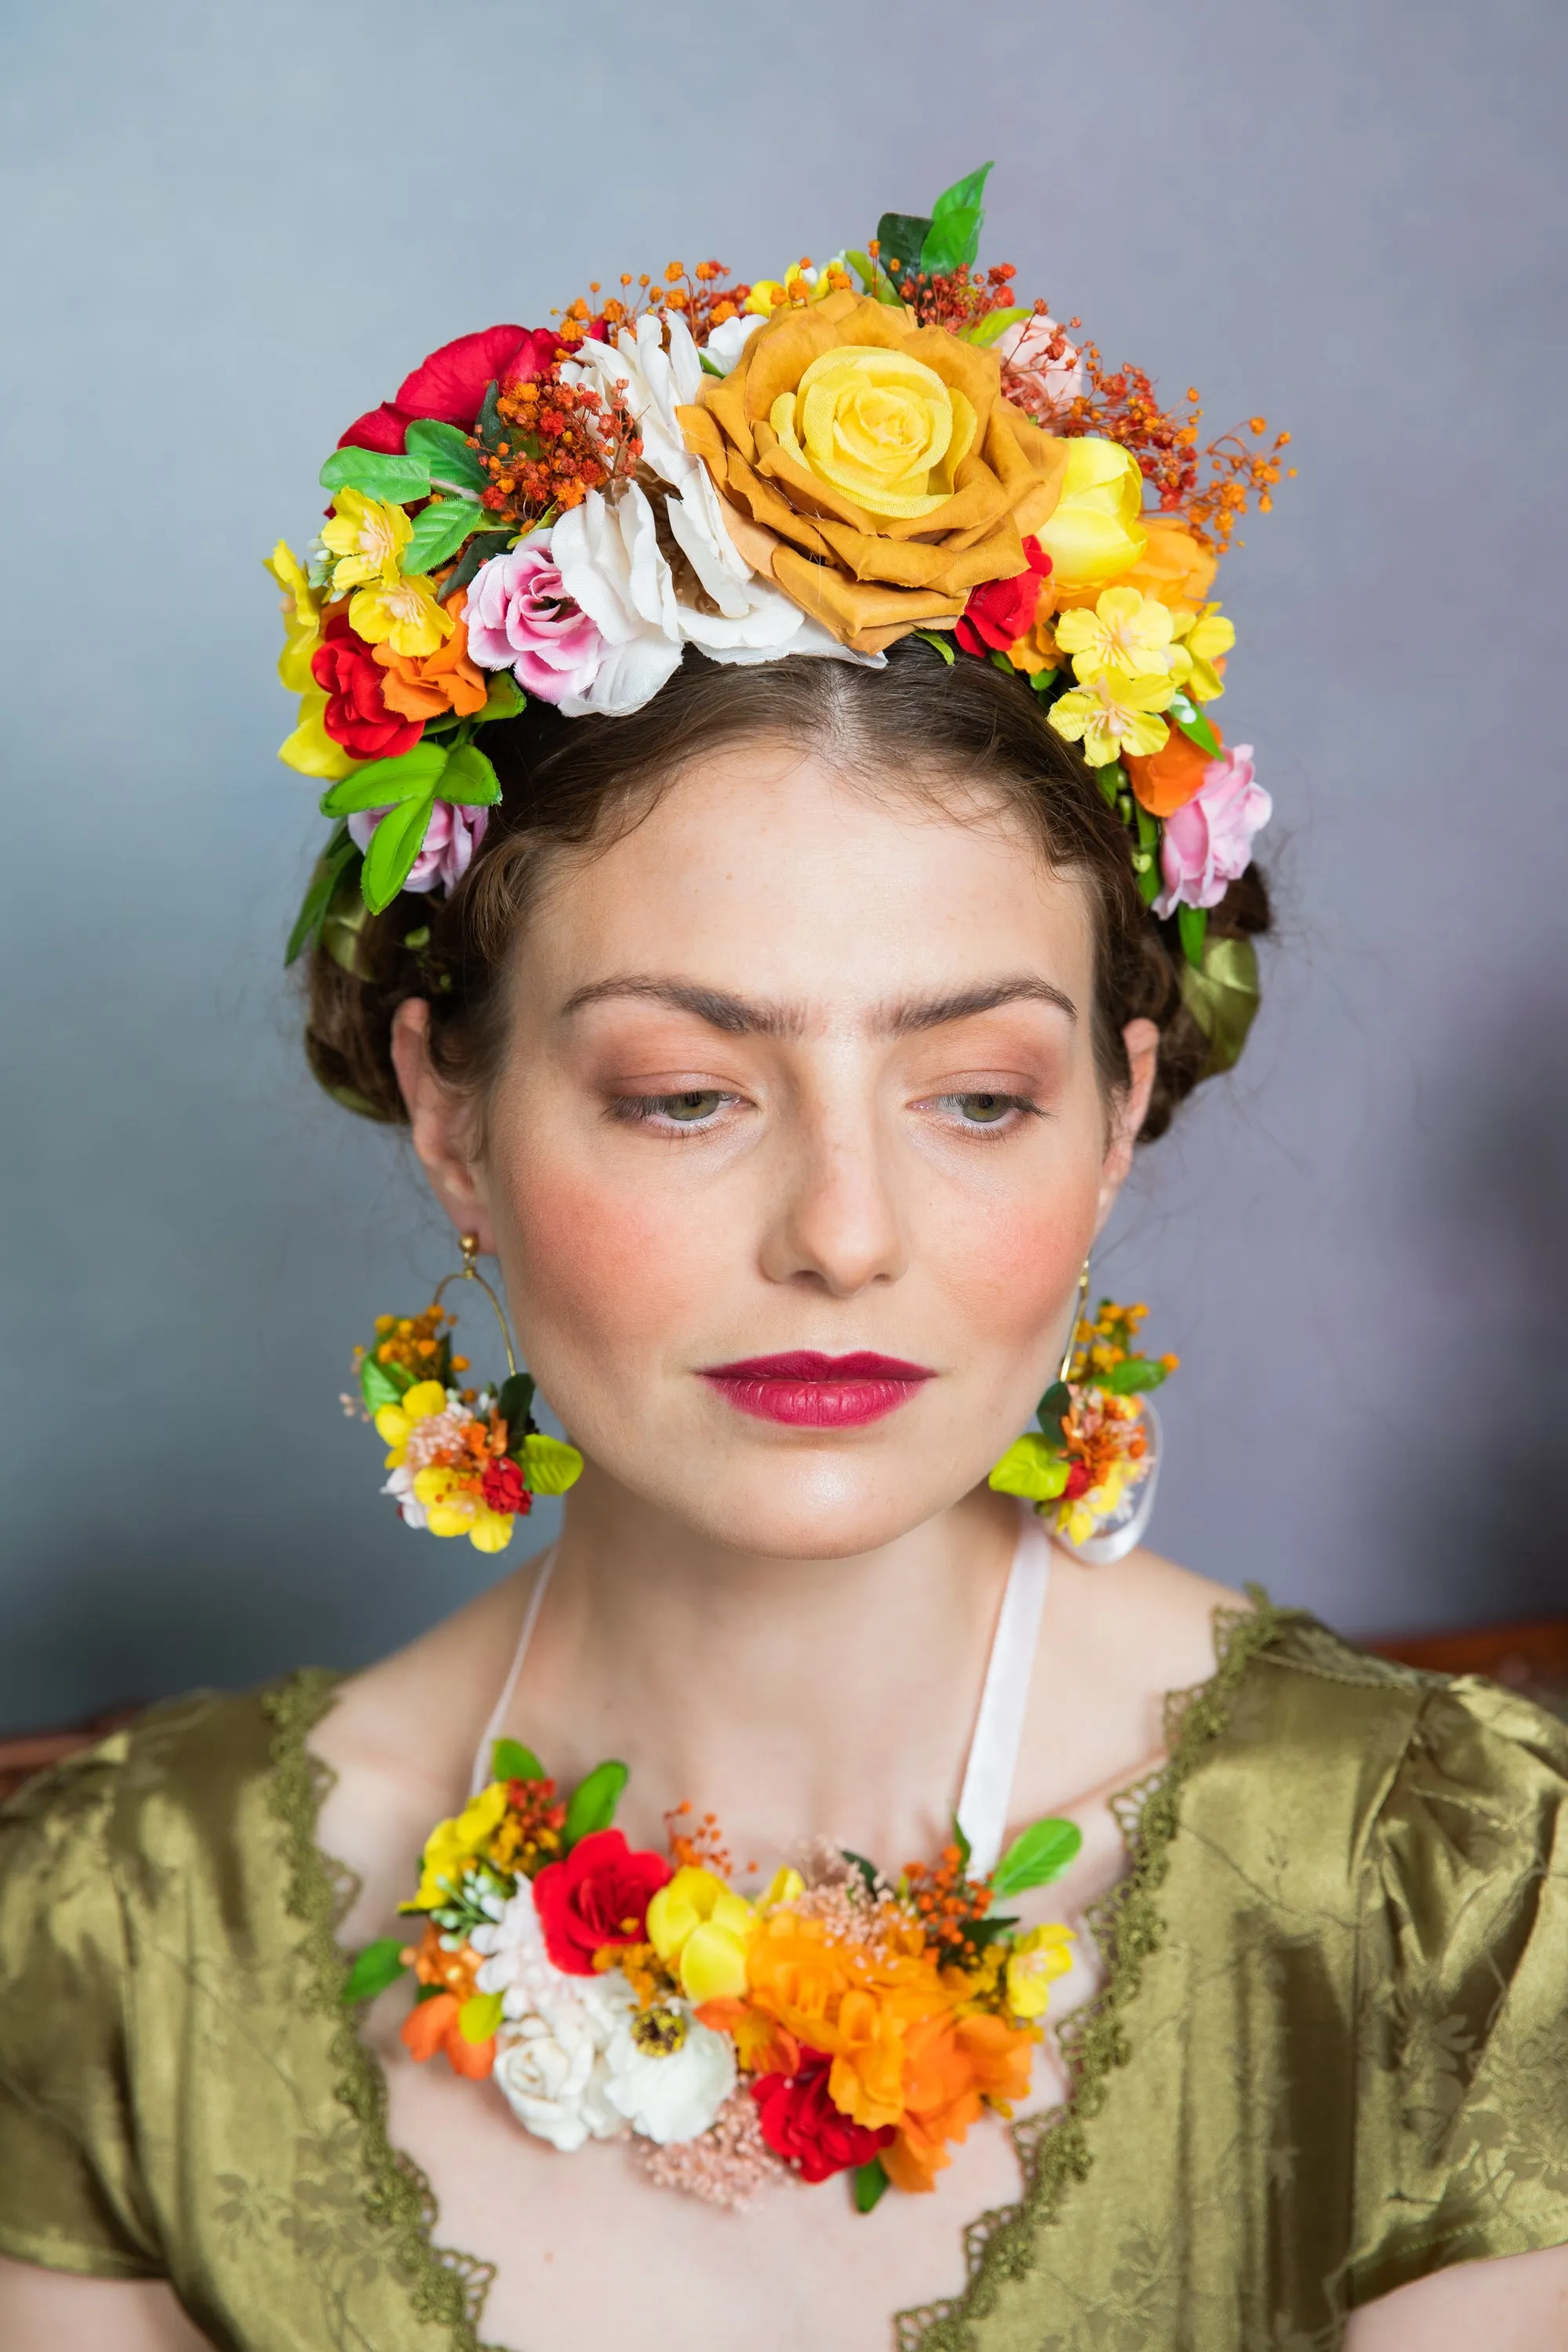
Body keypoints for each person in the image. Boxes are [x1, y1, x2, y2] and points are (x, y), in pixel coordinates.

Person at [2, 187, 1565, 2352]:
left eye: (978, 1098)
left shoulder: (1447, 1897)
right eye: (682, 1091)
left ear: (1123, 1114)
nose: (844, 1231)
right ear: (449, 1106)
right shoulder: (122, 1941)